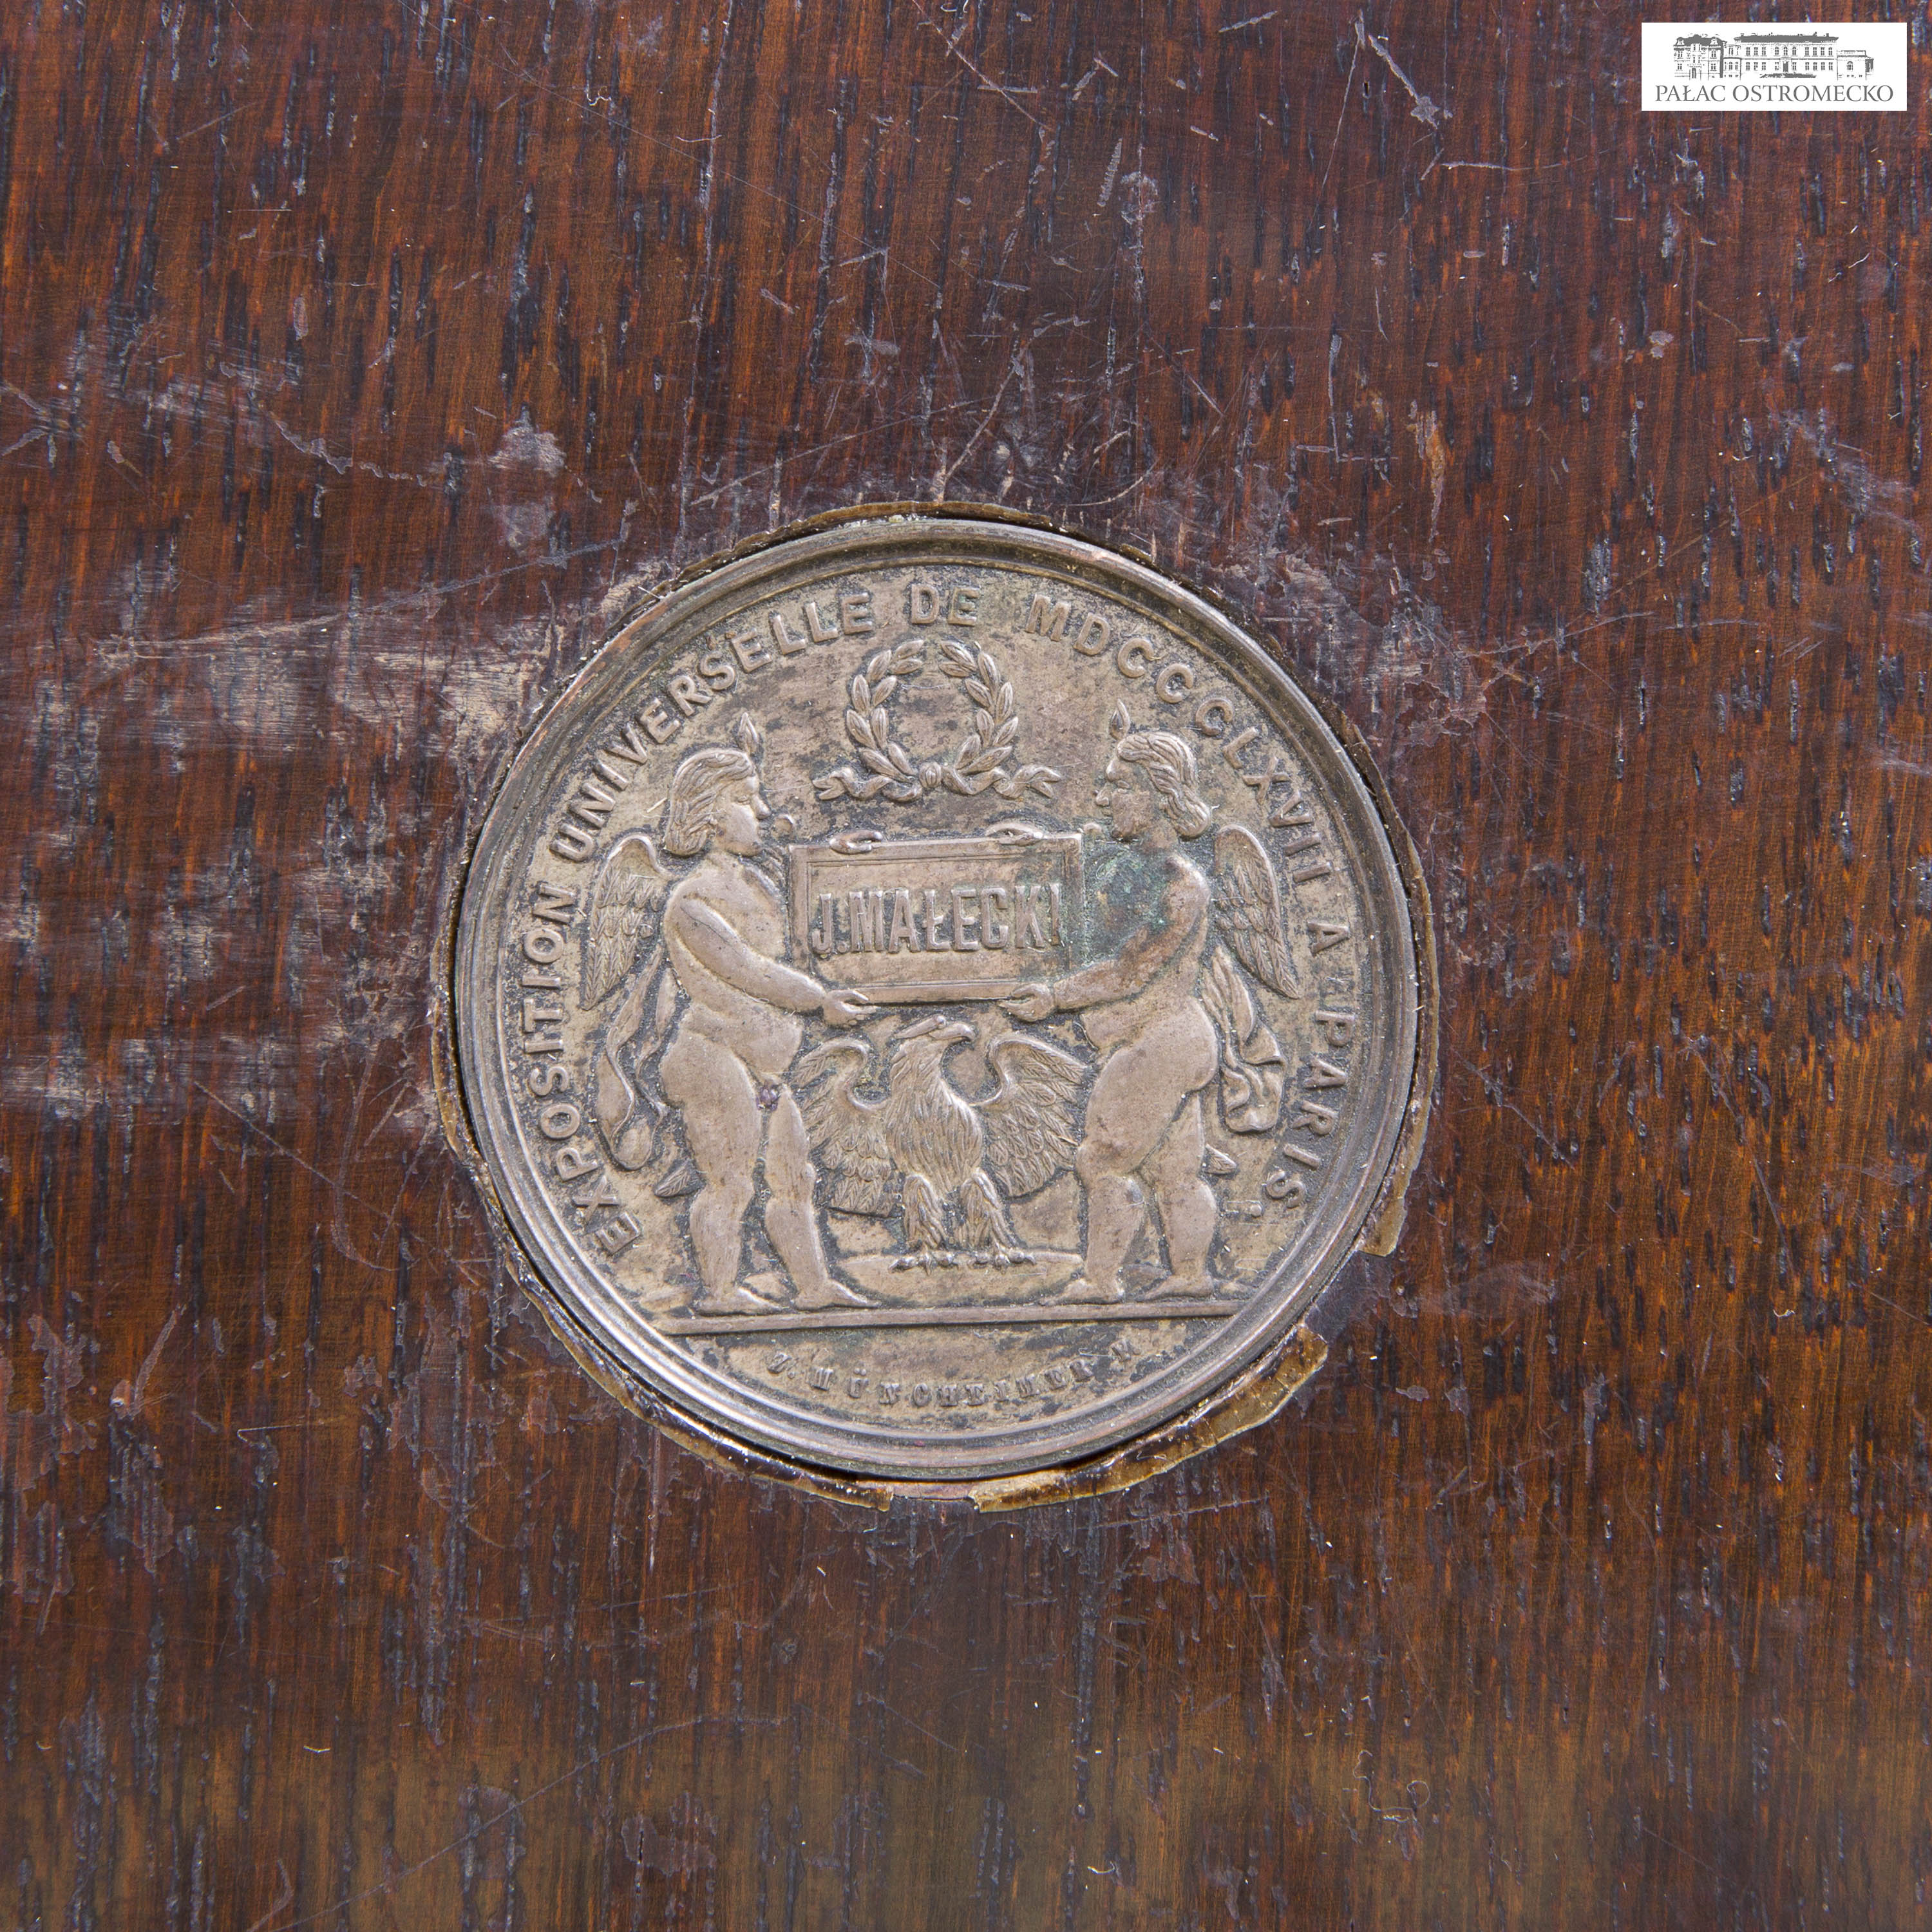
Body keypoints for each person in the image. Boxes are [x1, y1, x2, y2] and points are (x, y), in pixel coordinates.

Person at [1002, 727, 1220, 1303]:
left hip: (1159, 1041)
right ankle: (1191, 1277)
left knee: (1101, 1161)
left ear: (1158, 793)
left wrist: (1055, 997)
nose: (1104, 799)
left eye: (1119, 786)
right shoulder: (1132, 866)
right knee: (1176, 1173)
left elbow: (1130, 972)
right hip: (1170, 1040)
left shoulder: (1180, 885)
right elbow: (1089, 862)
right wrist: (1032, 850)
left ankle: (1100, 1281)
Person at [656, 745, 873, 1315]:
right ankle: (719, 1294)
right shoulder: (691, 903)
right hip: (712, 1057)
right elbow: (747, 969)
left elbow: (792, 880)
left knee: (793, 1177)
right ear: (711, 816)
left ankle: (814, 1288)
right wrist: (819, 1000)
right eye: (747, 800)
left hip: (764, 1066)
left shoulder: (753, 881)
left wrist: (838, 861)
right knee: (731, 1181)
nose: (763, 810)